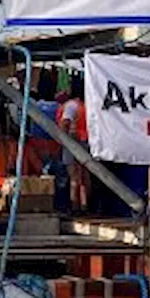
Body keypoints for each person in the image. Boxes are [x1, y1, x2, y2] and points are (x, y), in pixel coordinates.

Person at [59, 76, 90, 213]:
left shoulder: (71, 105)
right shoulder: (86, 105)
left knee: (74, 176)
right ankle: (85, 205)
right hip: (86, 142)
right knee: (84, 176)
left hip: (73, 142)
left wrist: (62, 137)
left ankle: (74, 205)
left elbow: (65, 122)